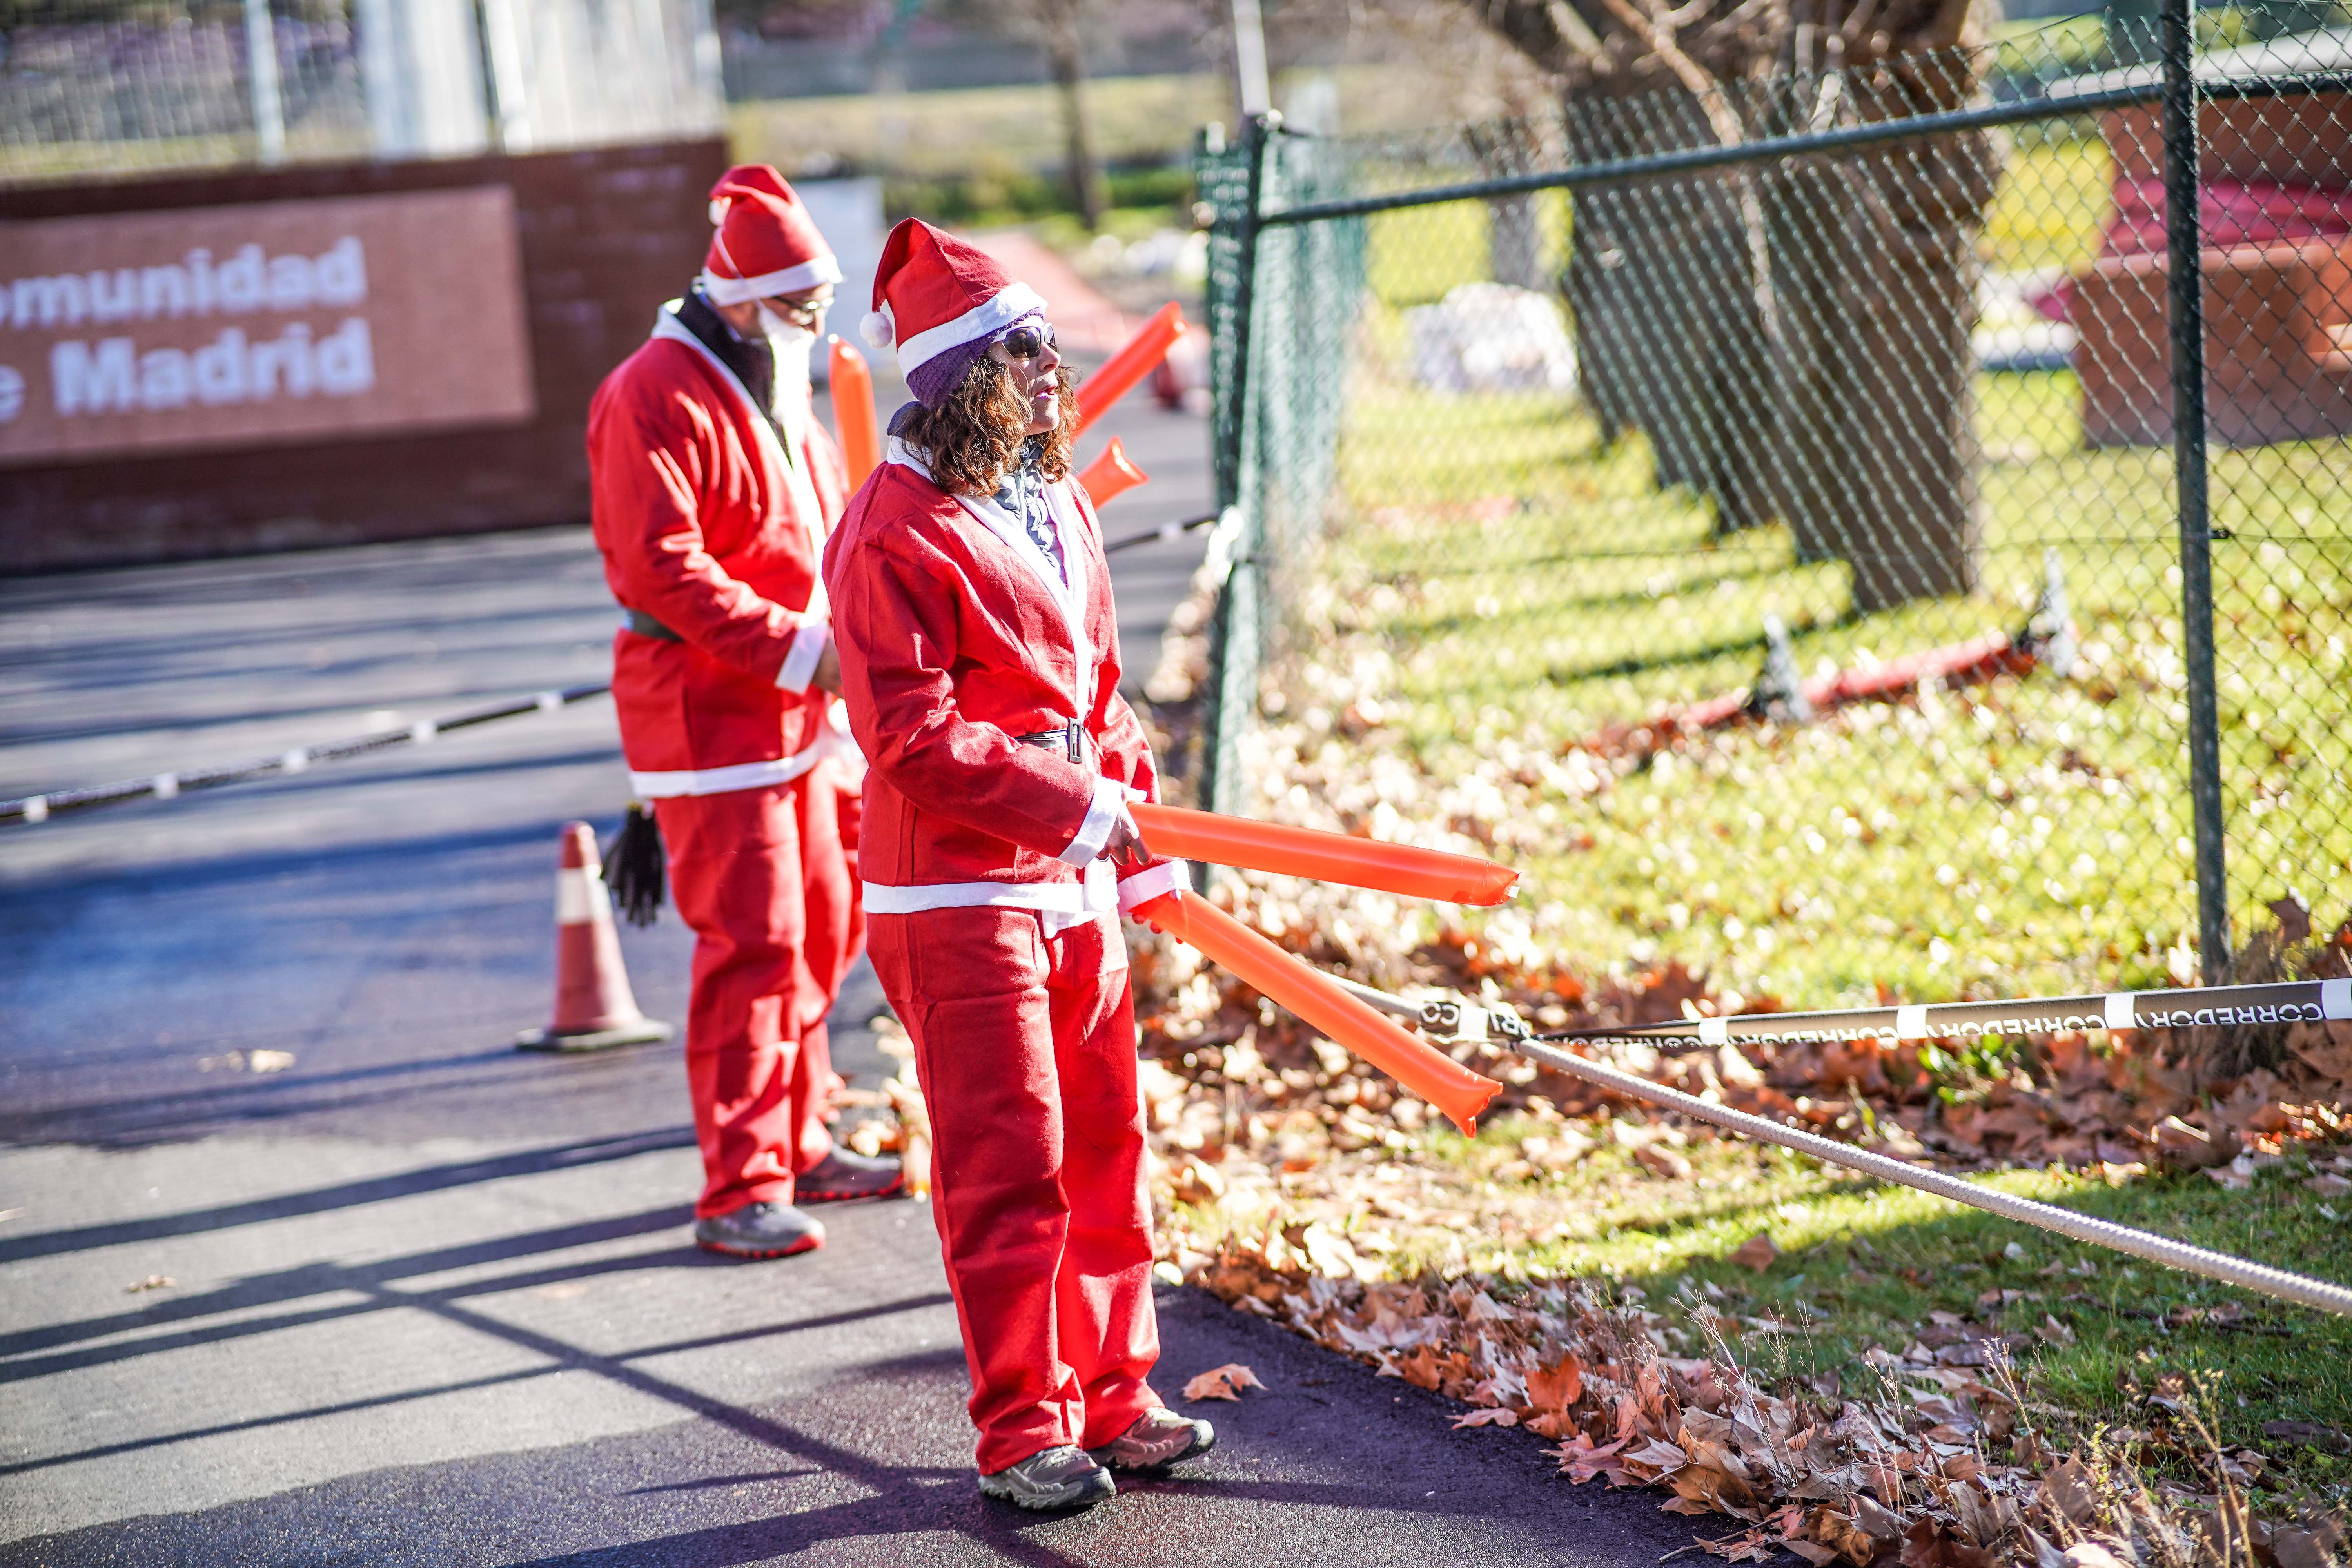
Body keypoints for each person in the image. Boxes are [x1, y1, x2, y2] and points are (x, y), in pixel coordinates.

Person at [823, 219, 1216, 1512]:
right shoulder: (892, 527)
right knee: (1011, 1160)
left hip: (1074, 869)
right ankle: (1020, 1430)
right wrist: (1077, 811)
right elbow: (911, 738)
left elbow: (1099, 690)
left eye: (1050, 346)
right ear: (960, 378)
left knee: (1108, 1140)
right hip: (959, 892)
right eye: (1025, 352)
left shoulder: (1048, 497)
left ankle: (1115, 1394)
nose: (1054, 372)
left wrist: (1136, 837)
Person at [587, 165, 900, 1261]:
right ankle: (739, 1185)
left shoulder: (763, 371)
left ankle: (800, 1137)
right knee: (757, 945)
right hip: (712, 720)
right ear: (744, 292)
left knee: (824, 927)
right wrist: (804, 652)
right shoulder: (653, 392)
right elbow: (664, 570)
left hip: (789, 712)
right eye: (807, 302)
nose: (820, 321)